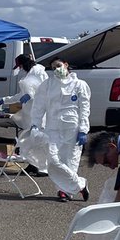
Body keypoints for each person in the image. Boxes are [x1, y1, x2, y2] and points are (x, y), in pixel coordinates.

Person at [30, 58, 92, 202]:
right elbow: (39, 106)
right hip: (52, 129)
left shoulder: (79, 85)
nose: (57, 69)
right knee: (52, 161)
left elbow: (84, 108)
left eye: (58, 66)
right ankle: (80, 184)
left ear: (66, 64)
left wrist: (83, 129)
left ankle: (63, 191)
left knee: (70, 160)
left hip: (72, 129)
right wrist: (35, 124)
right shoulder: (47, 85)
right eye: (53, 67)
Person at [0, 53, 48, 174]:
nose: (20, 69)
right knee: (30, 141)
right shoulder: (28, 74)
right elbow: (21, 95)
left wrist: (31, 96)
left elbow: (46, 90)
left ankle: (44, 168)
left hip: (39, 112)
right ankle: (33, 164)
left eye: (20, 66)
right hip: (29, 113)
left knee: (40, 141)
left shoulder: (39, 72)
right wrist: (6, 100)